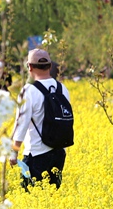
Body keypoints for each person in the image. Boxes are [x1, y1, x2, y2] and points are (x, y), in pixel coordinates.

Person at [10, 48, 73, 190]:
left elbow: (22, 123)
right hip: (59, 153)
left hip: (36, 153)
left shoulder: (29, 90)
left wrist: (14, 152)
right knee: (53, 196)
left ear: (29, 67)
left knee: (30, 197)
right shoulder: (62, 89)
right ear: (50, 66)